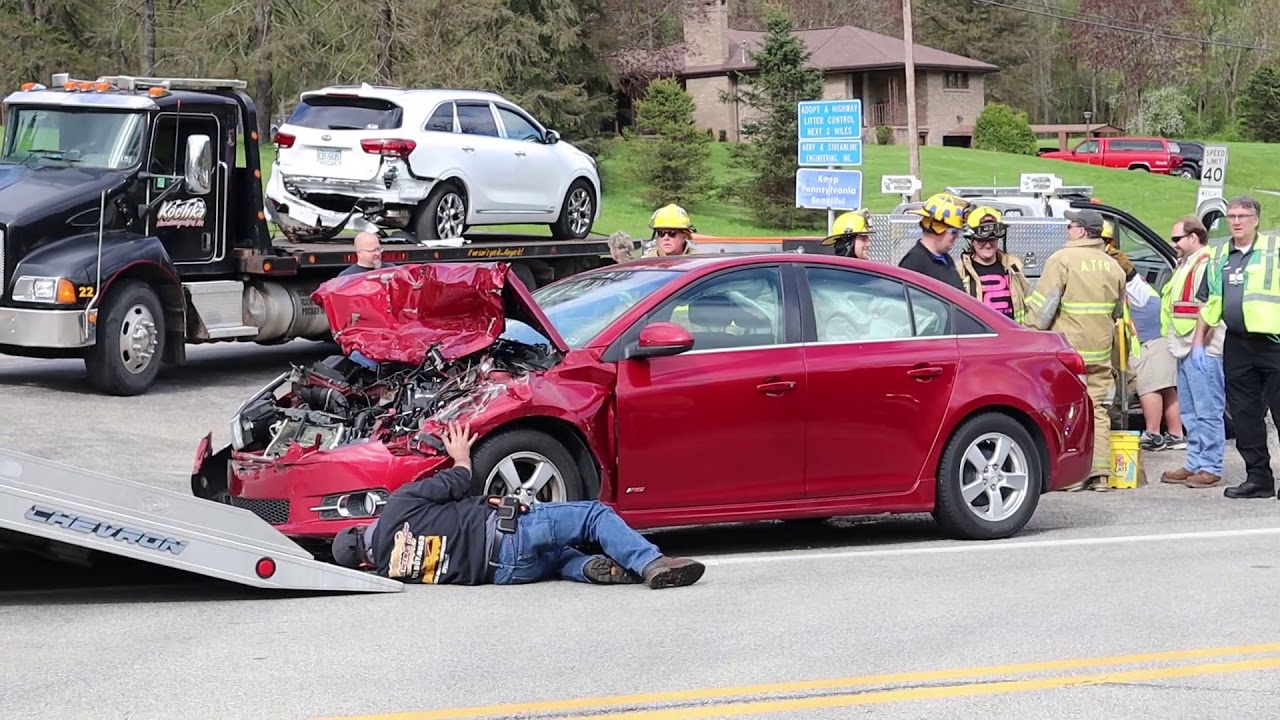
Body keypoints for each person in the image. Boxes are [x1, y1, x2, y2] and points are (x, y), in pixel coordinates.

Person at [330, 421, 707, 589]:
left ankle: (590, 568)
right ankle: (652, 564)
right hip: (511, 534)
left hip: (506, 573)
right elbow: (459, 481)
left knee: (560, 557)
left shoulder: (391, 570)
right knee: (593, 515)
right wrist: (460, 455)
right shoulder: (397, 507)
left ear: (364, 562)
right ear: (361, 529)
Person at [1023, 208, 1128, 491]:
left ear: (1081, 231)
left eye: (1070, 226)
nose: (1067, 230)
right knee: (1099, 409)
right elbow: (1118, 311)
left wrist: (1027, 336)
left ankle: (1073, 477)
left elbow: (1043, 309)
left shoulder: (1062, 260)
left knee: (1068, 409)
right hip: (1101, 351)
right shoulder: (1113, 266)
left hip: (1068, 351)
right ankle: (1101, 473)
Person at [1192, 196, 1280, 499]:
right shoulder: (1218, 256)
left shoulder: (1274, 251)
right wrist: (1197, 344)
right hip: (1238, 344)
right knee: (1244, 415)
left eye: (1243, 215)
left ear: (1256, 219)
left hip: (1274, 343)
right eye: (1231, 216)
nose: (1237, 221)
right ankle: (1259, 479)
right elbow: (1211, 301)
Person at [1101, 221, 1185, 452]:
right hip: (1157, 332)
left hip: (1149, 337)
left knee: (1150, 386)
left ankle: (1154, 434)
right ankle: (1176, 434)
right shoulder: (1121, 264)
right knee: (1166, 386)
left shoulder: (1114, 265)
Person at [1159, 216, 1226, 488]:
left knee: (1207, 409)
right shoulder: (1186, 263)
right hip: (1184, 345)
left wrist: (1201, 342)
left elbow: (1212, 305)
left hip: (1202, 347)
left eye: (1177, 239)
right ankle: (1195, 462)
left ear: (1194, 237)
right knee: (1189, 410)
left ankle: (1210, 466)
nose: (1173, 244)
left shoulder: (1207, 263)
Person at [956, 206, 1030, 321]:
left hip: (1012, 336)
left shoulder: (1013, 266)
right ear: (971, 239)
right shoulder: (960, 270)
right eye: (981, 240)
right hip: (980, 337)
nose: (988, 245)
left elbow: (1029, 301)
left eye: (992, 239)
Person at [899, 192, 968, 291]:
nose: (957, 236)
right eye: (953, 231)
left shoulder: (946, 259)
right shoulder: (914, 262)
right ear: (937, 228)